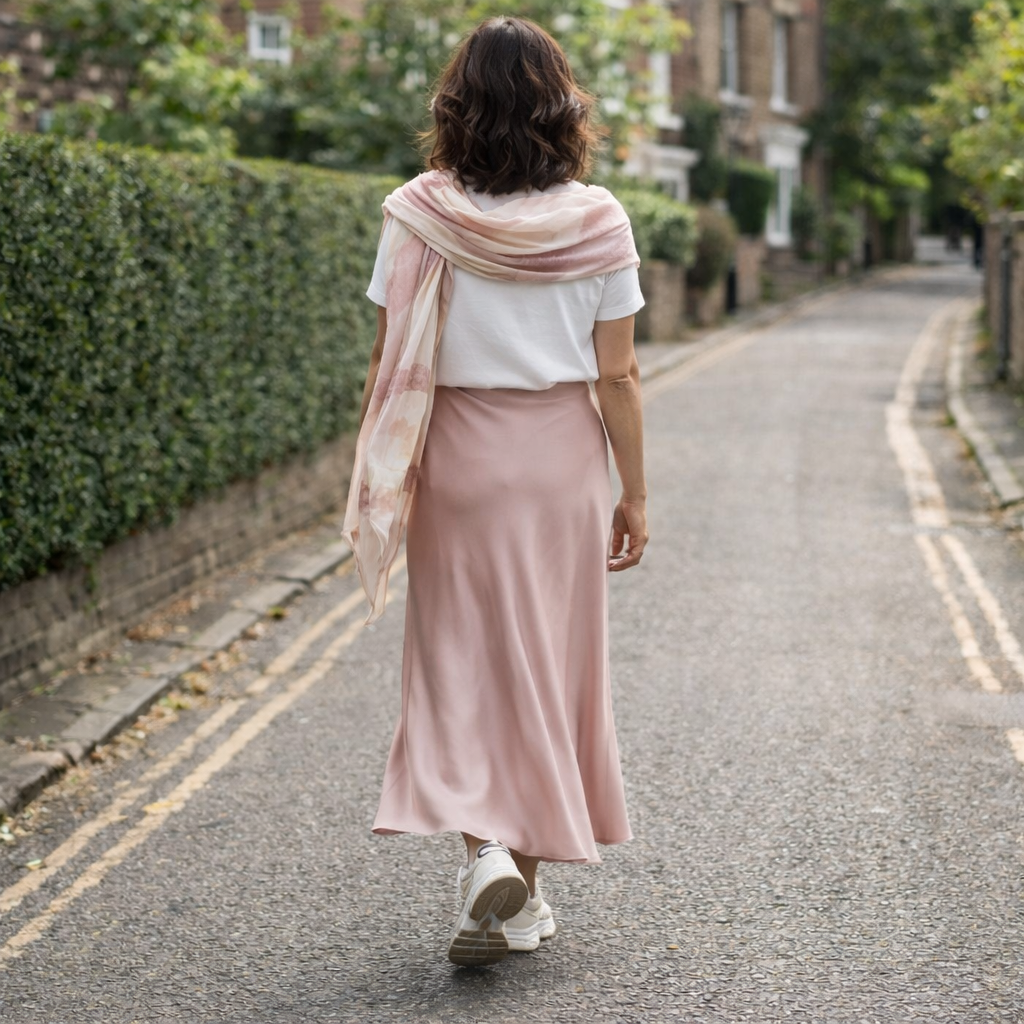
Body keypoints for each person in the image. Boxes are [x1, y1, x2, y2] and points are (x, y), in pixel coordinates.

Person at [343, 15, 648, 968]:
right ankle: (519, 890)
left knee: (462, 660)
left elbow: (388, 362)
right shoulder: (600, 220)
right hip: (561, 461)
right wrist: (635, 494)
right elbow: (619, 375)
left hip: (458, 459)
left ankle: (489, 863)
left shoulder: (418, 213)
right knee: (548, 669)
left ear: (456, 105)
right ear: (563, 109)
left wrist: (377, 472)